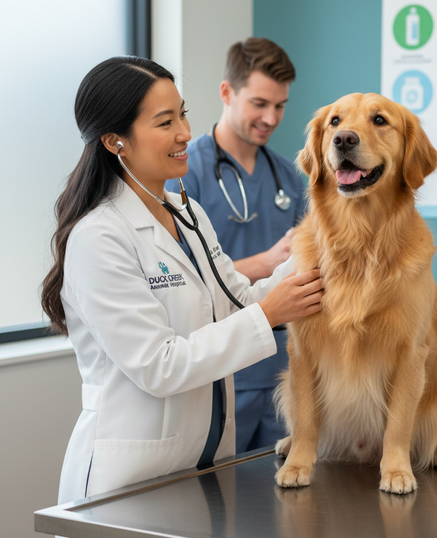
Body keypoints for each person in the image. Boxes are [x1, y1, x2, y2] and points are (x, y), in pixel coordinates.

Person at [41, 56, 322, 504]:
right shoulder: (99, 237)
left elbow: (235, 300)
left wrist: (315, 257)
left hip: (202, 465)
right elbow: (159, 365)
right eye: (165, 121)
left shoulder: (188, 214)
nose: (185, 133)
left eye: (184, 114)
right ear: (116, 142)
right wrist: (268, 314)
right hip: (130, 478)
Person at [166, 38, 305, 454]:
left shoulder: (287, 174)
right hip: (226, 365)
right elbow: (182, 283)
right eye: (259, 103)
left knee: (285, 496)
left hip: (283, 368)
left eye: (279, 106)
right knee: (225, 497)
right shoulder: (185, 171)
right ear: (227, 92)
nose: (271, 117)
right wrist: (266, 262)